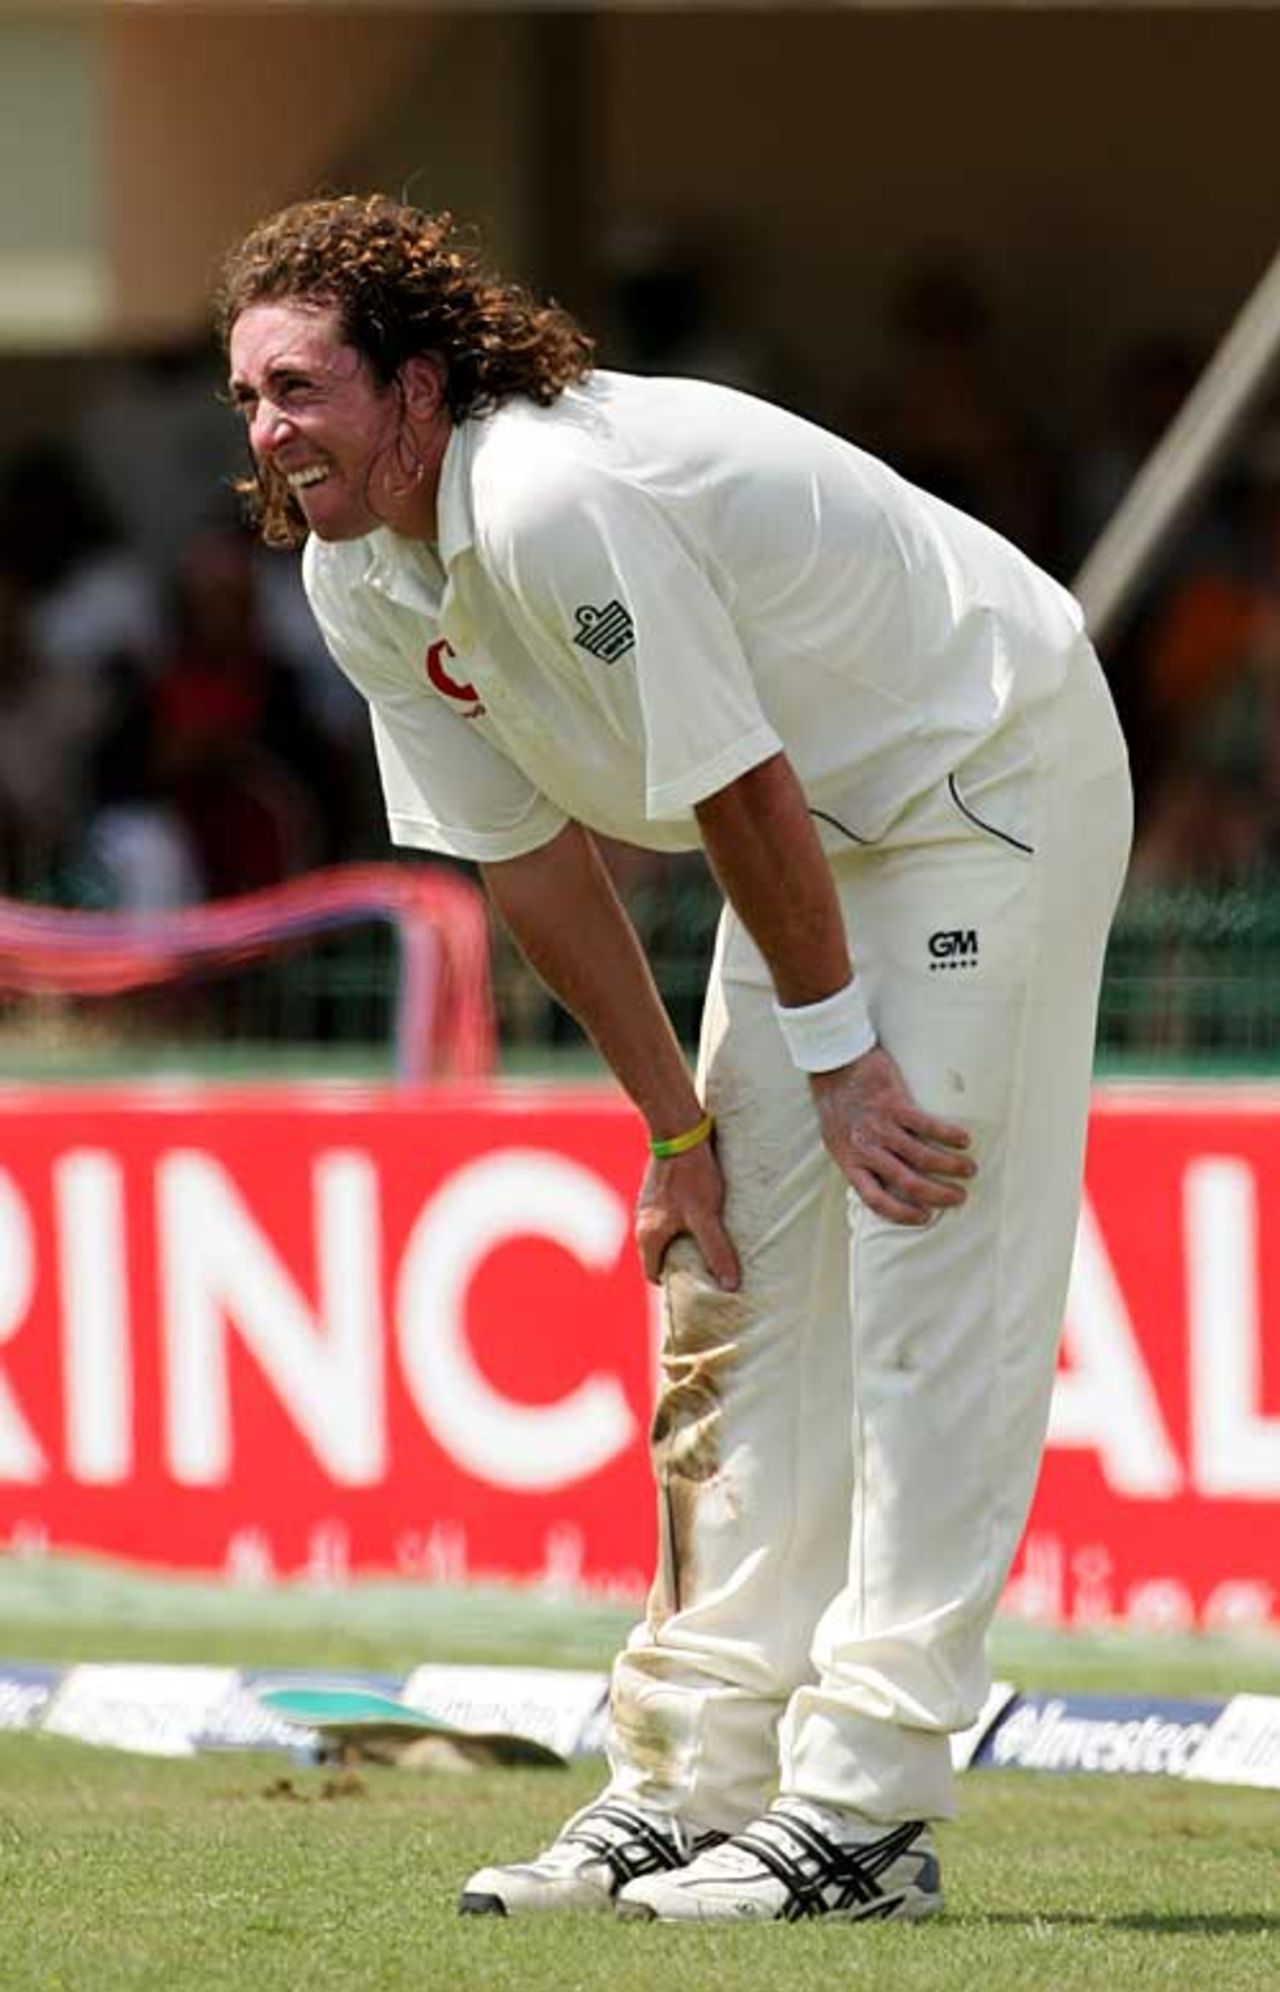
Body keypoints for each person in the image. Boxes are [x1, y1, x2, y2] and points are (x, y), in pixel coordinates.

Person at [216, 194, 1132, 1926]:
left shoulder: (553, 493)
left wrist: (846, 1061)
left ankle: (866, 1810)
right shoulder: (355, 569)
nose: (269, 431)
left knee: (925, 1256)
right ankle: (689, 1781)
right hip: (814, 833)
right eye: (248, 396)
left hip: (978, 773)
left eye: (303, 387)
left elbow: (735, 790)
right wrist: (674, 1124)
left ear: (417, 385)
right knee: (728, 1281)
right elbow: (528, 857)